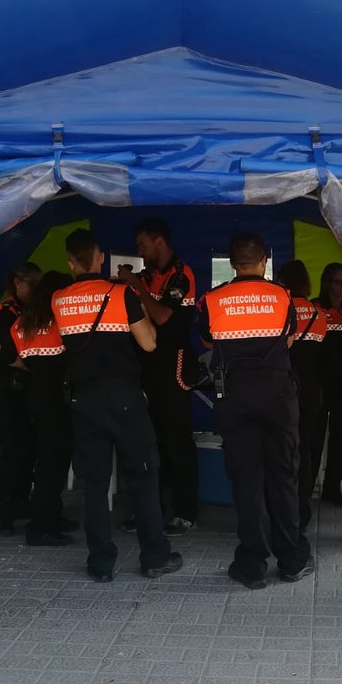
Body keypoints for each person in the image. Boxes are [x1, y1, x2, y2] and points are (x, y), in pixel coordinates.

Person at [51, 229, 183, 582]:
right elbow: (149, 343)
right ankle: (154, 557)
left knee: (94, 483)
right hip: (123, 397)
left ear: (70, 262)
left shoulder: (59, 299)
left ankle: (100, 563)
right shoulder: (121, 294)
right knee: (142, 476)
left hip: (82, 399)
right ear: (99, 258)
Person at [198, 233, 313, 590]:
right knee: (283, 476)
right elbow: (290, 335)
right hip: (277, 394)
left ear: (233, 263)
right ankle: (292, 558)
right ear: (263, 260)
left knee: (246, 480)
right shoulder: (282, 296)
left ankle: (252, 564)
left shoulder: (212, 299)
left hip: (234, 394)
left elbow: (206, 340)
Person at [116, 218, 199, 537]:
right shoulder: (146, 276)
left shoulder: (181, 273)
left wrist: (136, 287)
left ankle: (185, 511)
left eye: (143, 245)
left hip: (174, 366)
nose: (140, 252)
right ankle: (150, 510)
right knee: (148, 443)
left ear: (160, 242)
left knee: (176, 441)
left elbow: (164, 316)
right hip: (145, 366)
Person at [12, 270, 77, 547]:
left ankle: (51, 515)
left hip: (35, 396)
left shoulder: (20, 325)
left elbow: (21, 362)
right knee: (54, 463)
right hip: (57, 399)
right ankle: (41, 527)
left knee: (47, 461)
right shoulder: (61, 324)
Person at [0, 262, 41, 536]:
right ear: (17, 284)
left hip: (29, 387)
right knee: (11, 451)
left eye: (36, 283)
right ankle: (5, 513)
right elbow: (6, 354)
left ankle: (23, 501)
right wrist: (39, 366)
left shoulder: (32, 311)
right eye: (30, 283)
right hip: (8, 386)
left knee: (30, 447)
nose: (34, 289)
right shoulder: (4, 313)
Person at [277, 259, 327, 532]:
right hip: (311, 389)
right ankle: (303, 505)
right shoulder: (319, 314)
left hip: (284, 389)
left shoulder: (281, 310)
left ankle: (284, 504)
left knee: (282, 448)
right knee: (305, 447)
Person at [310, 262, 342, 507]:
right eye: (338, 281)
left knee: (340, 437)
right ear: (327, 283)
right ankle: (306, 486)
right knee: (313, 437)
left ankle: (332, 488)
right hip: (318, 381)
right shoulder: (314, 307)